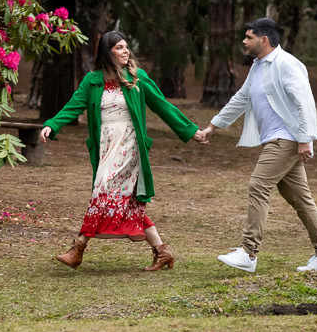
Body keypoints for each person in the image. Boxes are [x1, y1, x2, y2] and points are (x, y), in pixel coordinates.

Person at [40, 31, 200, 271]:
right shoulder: (92, 80)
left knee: (102, 191)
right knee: (125, 200)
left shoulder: (137, 78)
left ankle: (78, 249)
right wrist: (52, 125)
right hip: (105, 146)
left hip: (129, 145)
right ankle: (162, 250)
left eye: (127, 47)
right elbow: (73, 106)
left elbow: (163, 106)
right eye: (119, 48)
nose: (126, 51)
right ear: (108, 52)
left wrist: (190, 131)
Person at [197, 17, 317, 273]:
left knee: (258, 184)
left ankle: (248, 253)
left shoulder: (287, 64)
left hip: (286, 138)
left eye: (249, 37)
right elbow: (242, 98)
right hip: (274, 139)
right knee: (301, 199)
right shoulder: (258, 66)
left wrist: (306, 138)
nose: (244, 41)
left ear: (263, 40)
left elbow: (304, 101)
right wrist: (213, 126)